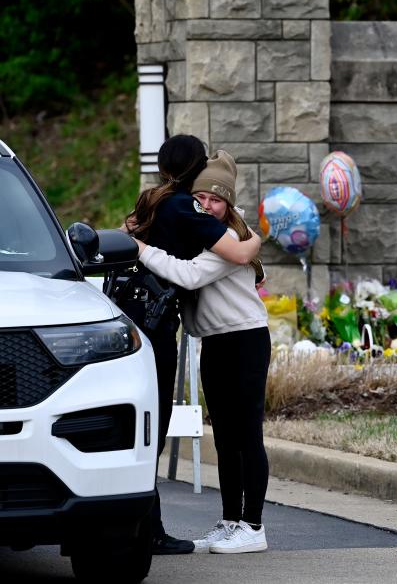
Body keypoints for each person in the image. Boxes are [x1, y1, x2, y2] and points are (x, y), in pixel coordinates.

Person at [121, 135, 261, 555]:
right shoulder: (196, 222)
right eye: (201, 195)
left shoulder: (220, 231)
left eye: (215, 198)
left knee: (245, 434)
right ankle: (228, 521)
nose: (207, 204)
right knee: (218, 436)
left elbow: (192, 274)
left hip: (243, 337)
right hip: (208, 340)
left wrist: (254, 243)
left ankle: (251, 525)